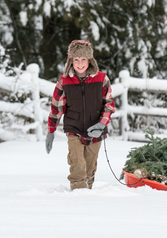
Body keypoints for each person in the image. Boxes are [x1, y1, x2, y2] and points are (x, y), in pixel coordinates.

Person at [45, 40, 115, 190]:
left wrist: (101, 124)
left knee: (90, 166)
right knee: (77, 163)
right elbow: (56, 108)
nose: (80, 63)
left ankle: (87, 191)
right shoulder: (64, 82)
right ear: (71, 60)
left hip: (95, 128)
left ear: (90, 60)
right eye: (76, 59)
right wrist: (51, 131)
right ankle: (78, 191)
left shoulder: (102, 79)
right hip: (73, 128)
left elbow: (108, 105)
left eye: (83, 59)